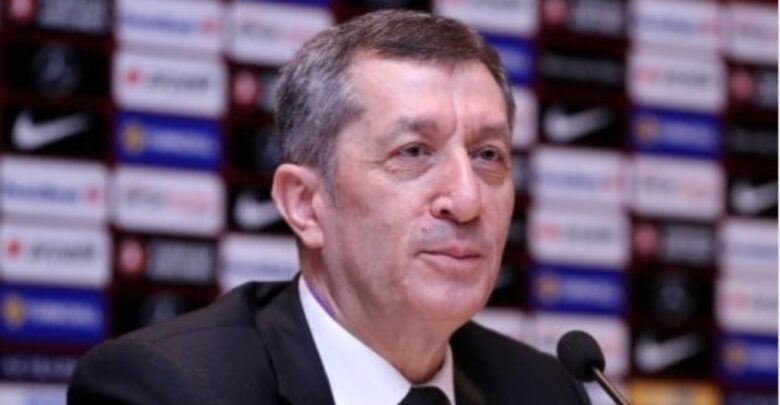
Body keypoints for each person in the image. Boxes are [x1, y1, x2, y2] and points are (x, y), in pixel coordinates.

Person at [68, 10, 590, 405]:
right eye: (413, 152)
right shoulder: (171, 389)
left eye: (487, 156)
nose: (467, 200)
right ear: (305, 205)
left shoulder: (543, 390)